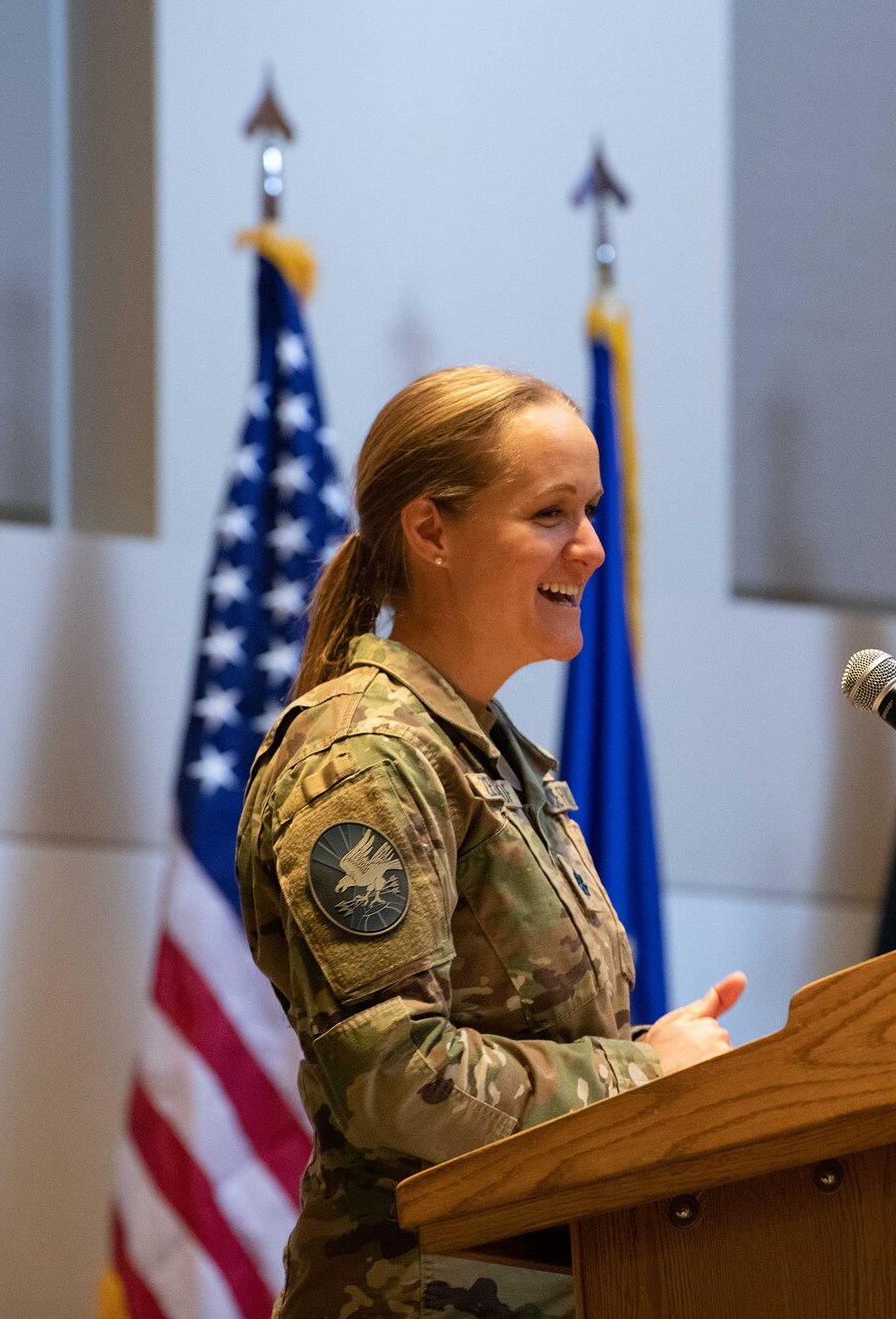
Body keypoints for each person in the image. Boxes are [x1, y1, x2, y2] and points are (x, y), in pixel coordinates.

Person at [236, 365, 745, 1319]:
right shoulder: (365, 756)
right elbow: (397, 1075)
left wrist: (658, 1055)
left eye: (591, 509)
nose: (592, 548)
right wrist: (644, 1075)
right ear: (431, 531)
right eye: (551, 513)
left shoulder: (489, 749)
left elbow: (506, 1039)